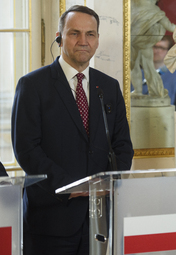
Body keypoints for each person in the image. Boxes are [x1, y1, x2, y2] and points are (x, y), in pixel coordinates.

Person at [11, 5, 133, 255]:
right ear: (59, 37)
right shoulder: (33, 85)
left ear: (97, 39)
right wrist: (72, 188)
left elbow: (123, 146)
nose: (83, 41)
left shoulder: (108, 87)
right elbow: (26, 149)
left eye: (90, 34)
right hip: (51, 219)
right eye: (74, 33)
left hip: (98, 218)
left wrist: (105, 185)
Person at [130, 0, 175, 98]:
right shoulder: (154, 11)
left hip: (132, 42)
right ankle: (151, 91)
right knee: (146, 67)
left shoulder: (130, 7)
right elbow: (171, 27)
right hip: (143, 43)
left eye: (161, 48)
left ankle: (138, 91)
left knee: (135, 67)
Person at [136, 36, 176, 104]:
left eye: (161, 48)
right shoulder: (137, 74)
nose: (156, 51)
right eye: (154, 46)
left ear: (169, 52)